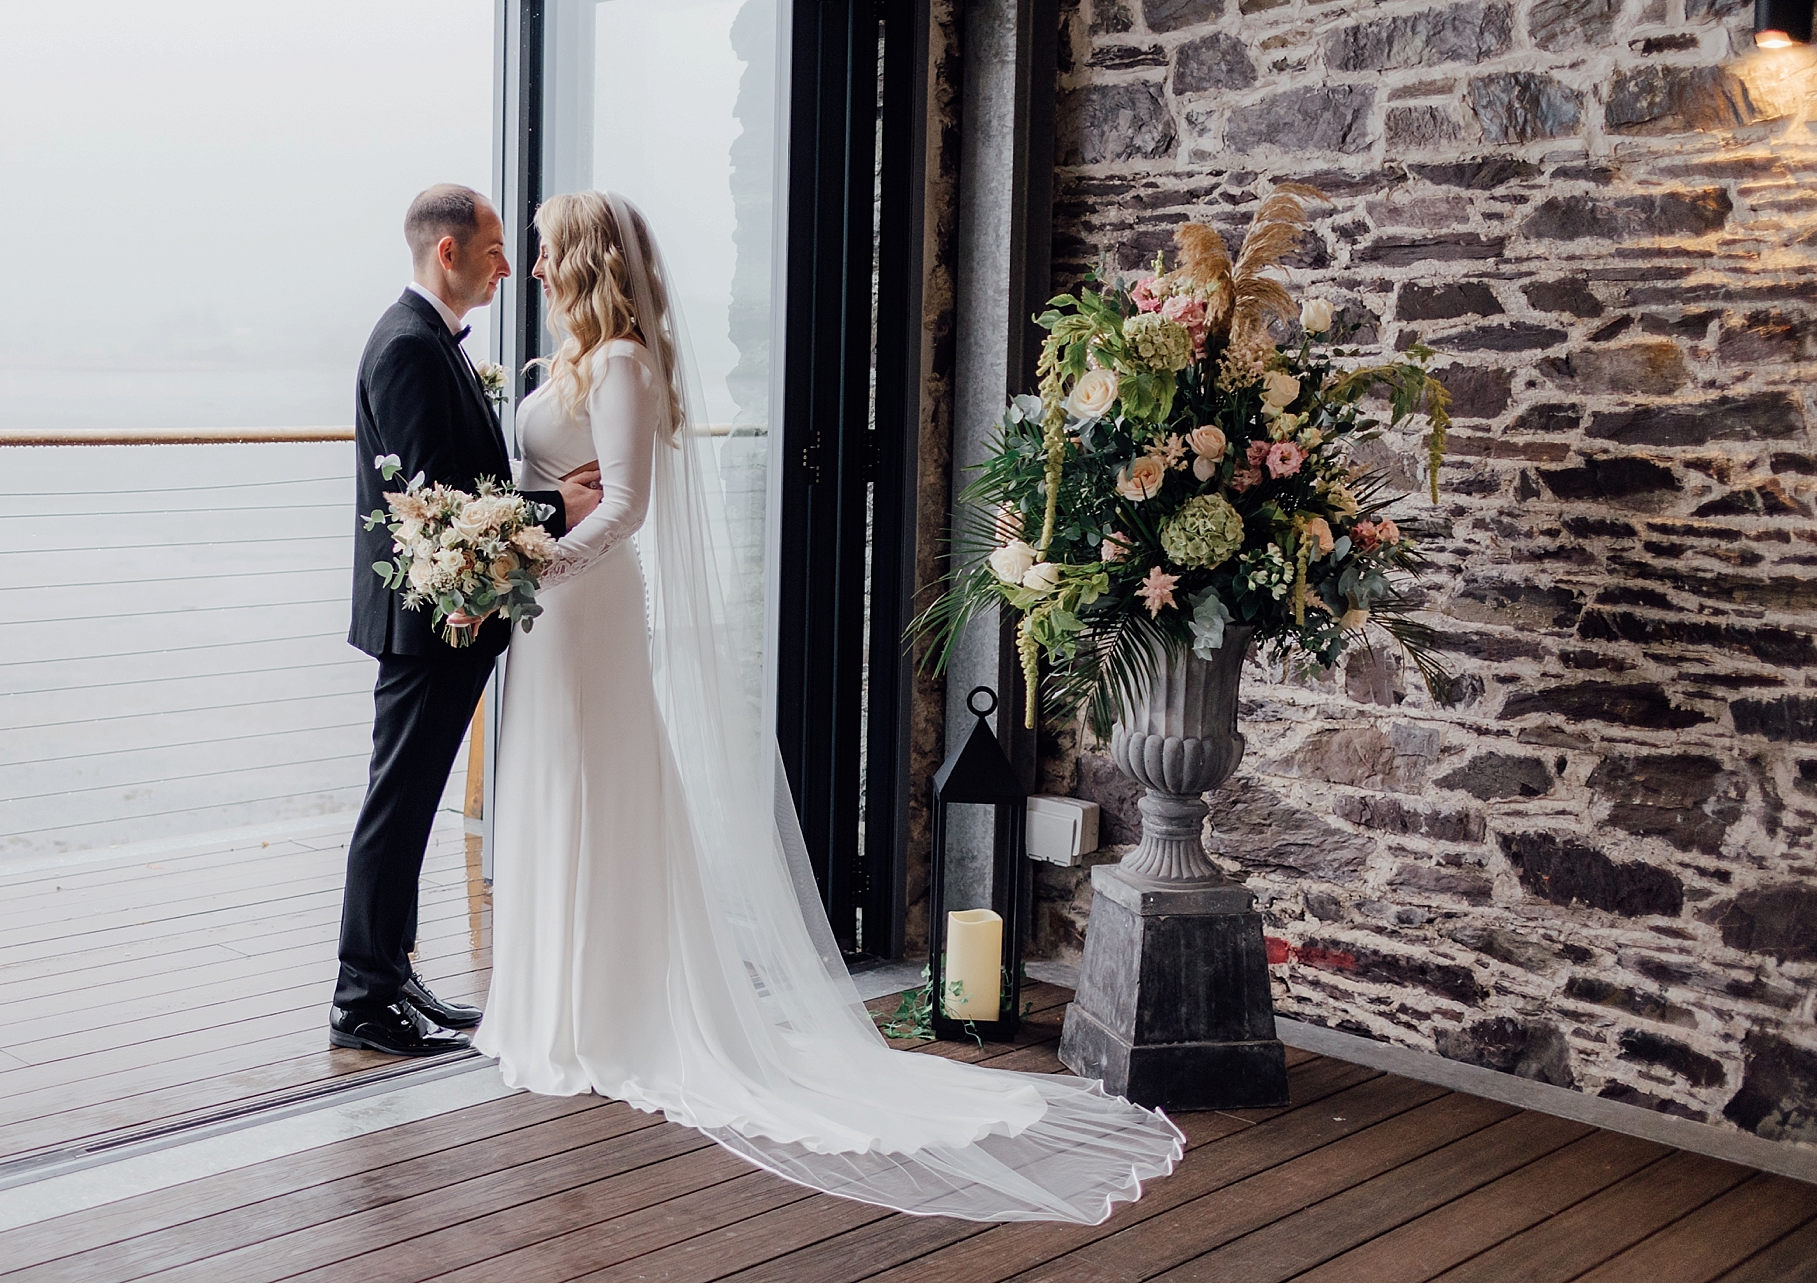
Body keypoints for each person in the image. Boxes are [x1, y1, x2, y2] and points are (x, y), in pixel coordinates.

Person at [475, 190, 1187, 1223]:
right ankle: (552, 1000)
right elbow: (557, 482)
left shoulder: (623, 363)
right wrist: (520, 531)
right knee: (550, 786)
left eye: (543, 254)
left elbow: (624, 507)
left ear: (582, 259)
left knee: (594, 789)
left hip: (584, 608)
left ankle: (604, 1010)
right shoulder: (573, 365)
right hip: (551, 616)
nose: (534, 269)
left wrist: (538, 560)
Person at [333, 183, 601, 1058]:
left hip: (447, 614)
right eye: (491, 249)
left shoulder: (426, 340)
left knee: (409, 799)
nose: (506, 266)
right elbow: (440, 504)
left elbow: (456, 480)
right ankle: (363, 996)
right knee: (398, 802)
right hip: (431, 619)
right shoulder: (408, 346)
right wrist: (556, 507)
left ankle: (392, 970)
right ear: (446, 252)